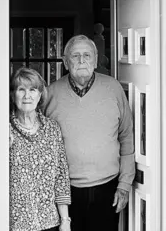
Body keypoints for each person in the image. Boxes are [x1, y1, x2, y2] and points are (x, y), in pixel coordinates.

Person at [44, 35, 135, 231]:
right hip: (63, 193)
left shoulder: (113, 88)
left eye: (87, 55)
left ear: (95, 59)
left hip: (107, 188)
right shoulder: (50, 94)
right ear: (65, 62)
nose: (82, 60)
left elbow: (126, 137)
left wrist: (124, 185)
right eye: (75, 56)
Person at [9, 67, 71, 231]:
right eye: (21, 90)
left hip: (49, 221)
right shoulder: (4, 130)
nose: (27, 95)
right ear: (13, 94)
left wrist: (65, 220)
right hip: (13, 223)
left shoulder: (52, 129)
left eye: (32, 90)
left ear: (40, 94)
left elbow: (61, 176)